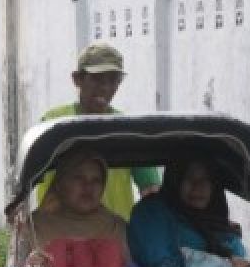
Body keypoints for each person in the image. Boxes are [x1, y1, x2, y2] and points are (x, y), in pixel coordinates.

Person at [34, 43, 160, 219]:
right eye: (97, 79)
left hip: (114, 237)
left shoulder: (126, 130)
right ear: (77, 79)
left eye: (113, 80)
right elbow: (28, 180)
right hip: (60, 237)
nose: (105, 87)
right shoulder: (54, 124)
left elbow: (151, 189)